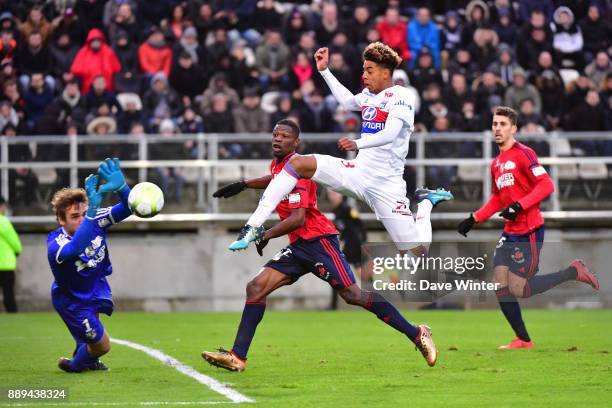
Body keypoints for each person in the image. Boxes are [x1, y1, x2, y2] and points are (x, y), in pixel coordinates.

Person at [202, 120, 437, 371]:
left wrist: (265, 234)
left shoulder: (301, 172)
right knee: (256, 287)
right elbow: (273, 178)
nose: (277, 139)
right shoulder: (279, 166)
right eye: (275, 134)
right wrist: (244, 184)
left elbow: (298, 218)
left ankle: (416, 333)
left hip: (319, 242)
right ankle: (237, 357)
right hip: (298, 247)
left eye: (284, 136)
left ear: (296, 143)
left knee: (352, 295)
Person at [229, 42, 453, 258]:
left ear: (386, 72)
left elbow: (391, 133)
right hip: (357, 173)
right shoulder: (368, 96)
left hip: (387, 185)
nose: (364, 75)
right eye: (364, 69)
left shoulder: (403, 96)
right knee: (297, 163)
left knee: (418, 256)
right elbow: (347, 102)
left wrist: (358, 143)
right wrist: (325, 71)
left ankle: (425, 203)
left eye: (369, 70)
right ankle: (252, 227)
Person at [456, 106, 600, 350]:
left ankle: (572, 272)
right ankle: (523, 339)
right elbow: (498, 199)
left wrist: (519, 206)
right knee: (499, 284)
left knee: (518, 289)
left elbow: (546, 185)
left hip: (530, 231)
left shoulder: (524, 153)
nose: (498, 129)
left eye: (503, 124)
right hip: (509, 233)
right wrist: (474, 217)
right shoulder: (497, 163)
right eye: (494, 124)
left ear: (514, 128)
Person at [48, 158, 133, 372]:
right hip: (73, 301)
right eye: (75, 216)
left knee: (89, 338)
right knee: (103, 345)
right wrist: (92, 211)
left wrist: (123, 188)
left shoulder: (95, 219)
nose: (82, 219)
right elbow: (77, 247)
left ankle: (86, 359)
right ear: (60, 220)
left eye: (84, 213)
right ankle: (75, 366)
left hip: (94, 288)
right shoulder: (55, 243)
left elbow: (129, 208)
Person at [0, 196, 21, 312]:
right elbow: (15, 242)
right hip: (6, 264)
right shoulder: (3, 221)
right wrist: (18, 250)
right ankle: (11, 313)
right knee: (8, 293)